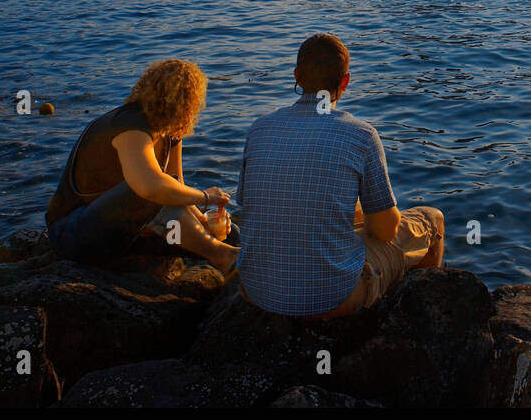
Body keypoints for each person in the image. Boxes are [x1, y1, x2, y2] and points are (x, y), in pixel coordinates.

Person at [234, 34, 444, 319]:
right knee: (432, 219)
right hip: (332, 299)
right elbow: (385, 232)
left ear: (296, 76)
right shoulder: (361, 135)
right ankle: (422, 322)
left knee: (351, 213)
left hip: (256, 291)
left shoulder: (259, 129)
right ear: (345, 82)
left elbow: (247, 207)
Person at [45, 59, 237, 270]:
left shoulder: (171, 132)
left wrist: (204, 221)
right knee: (151, 188)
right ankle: (222, 256)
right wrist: (206, 197)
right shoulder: (129, 124)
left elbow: (177, 190)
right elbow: (149, 187)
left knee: (231, 235)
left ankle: (222, 251)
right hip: (73, 235)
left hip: (128, 233)